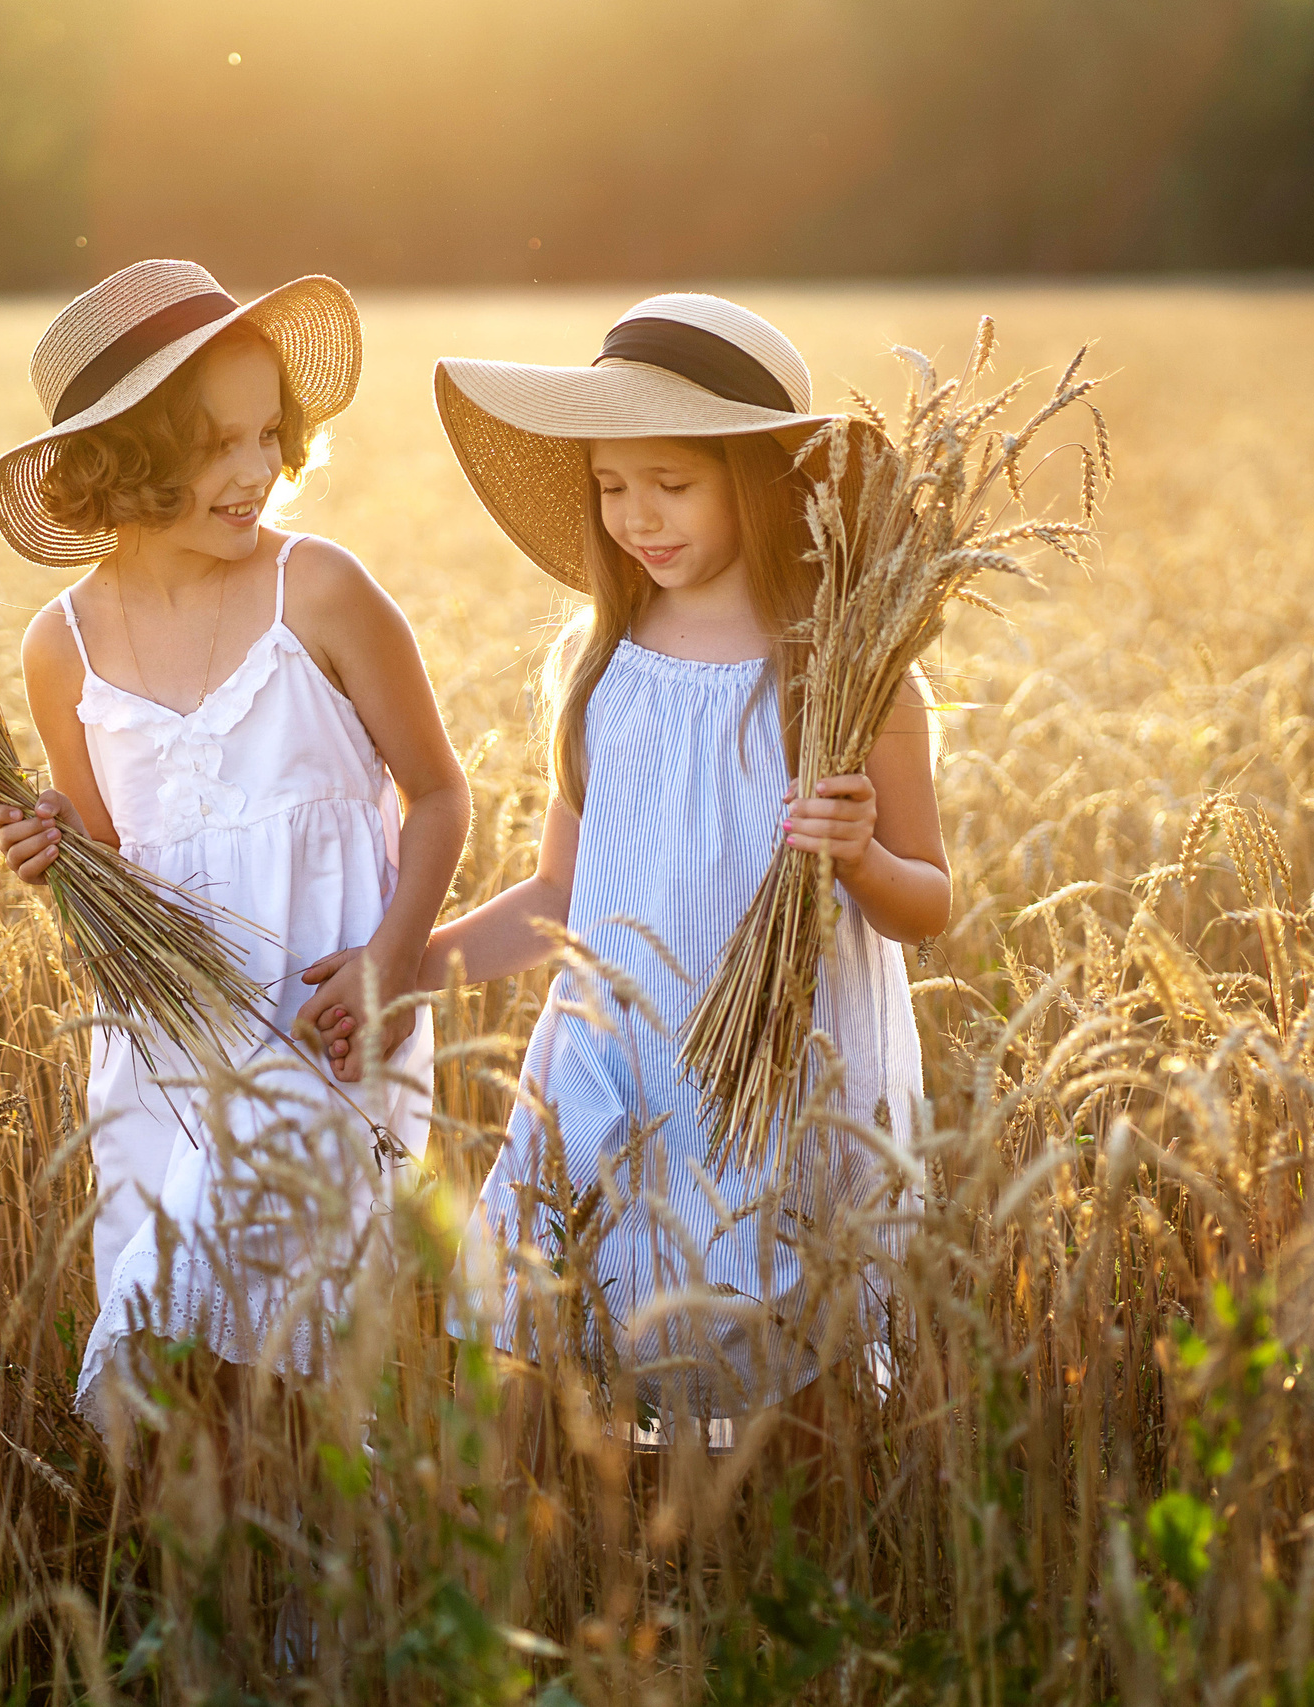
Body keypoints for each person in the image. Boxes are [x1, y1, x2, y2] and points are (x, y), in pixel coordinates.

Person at [301, 293, 946, 1431]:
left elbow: (927, 905)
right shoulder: (600, 664)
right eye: (609, 486)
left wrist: (859, 859)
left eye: (671, 483)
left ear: (761, 479)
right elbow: (560, 895)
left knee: (796, 1385)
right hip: (617, 1068)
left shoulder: (849, 674)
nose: (636, 516)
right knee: (585, 1369)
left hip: (781, 1080)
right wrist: (406, 968)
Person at [0, 259, 468, 1420]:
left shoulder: (321, 591)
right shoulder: (62, 648)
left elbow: (441, 795)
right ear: (123, 461)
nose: (256, 471)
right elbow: (111, 870)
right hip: (168, 1048)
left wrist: (390, 963)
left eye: (267, 435)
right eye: (215, 447)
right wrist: (59, 859)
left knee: (323, 1365)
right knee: (182, 1377)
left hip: (326, 1027)